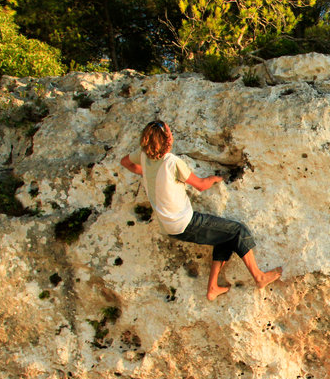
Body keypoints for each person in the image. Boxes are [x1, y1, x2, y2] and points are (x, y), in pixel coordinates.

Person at [120, 120, 281, 301]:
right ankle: (259, 277)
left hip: (168, 227)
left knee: (224, 235)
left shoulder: (143, 156)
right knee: (238, 230)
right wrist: (214, 178)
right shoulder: (172, 162)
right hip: (185, 223)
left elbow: (125, 162)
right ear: (168, 139)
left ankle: (213, 288)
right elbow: (201, 185)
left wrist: (151, 176)